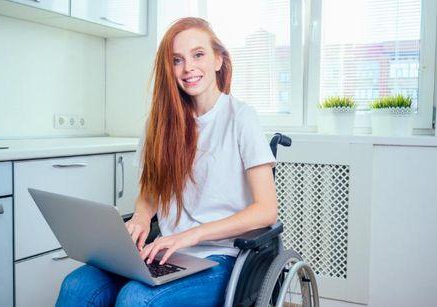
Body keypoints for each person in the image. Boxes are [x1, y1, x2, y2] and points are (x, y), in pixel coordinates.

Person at [55, 17, 278, 307]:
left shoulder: (240, 117)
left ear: (218, 60)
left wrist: (190, 236)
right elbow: (150, 192)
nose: (188, 68)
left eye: (198, 55)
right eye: (177, 60)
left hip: (222, 258)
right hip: (167, 252)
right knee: (76, 287)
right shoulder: (159, 124)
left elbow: (266, 211)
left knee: (135, 300)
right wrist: (141, 217)